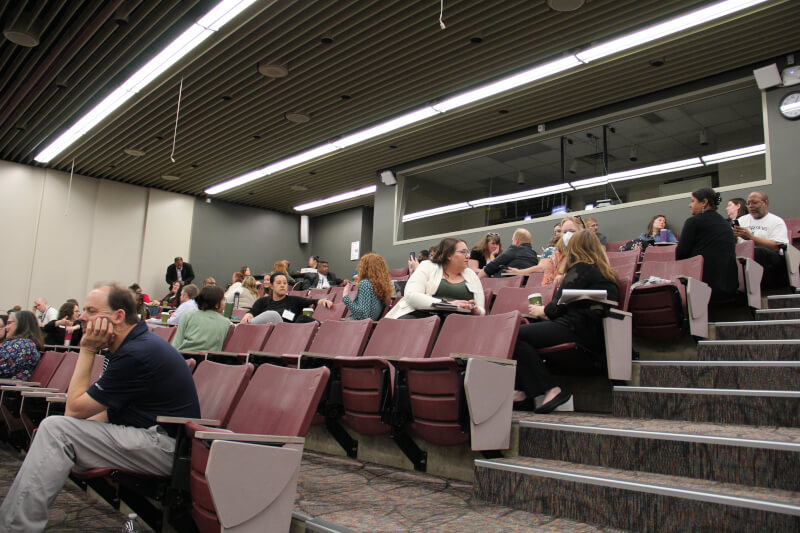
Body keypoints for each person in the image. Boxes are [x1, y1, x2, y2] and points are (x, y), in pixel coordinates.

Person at [0, 285, 200, 532]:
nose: (82, 317)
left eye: (91, 311)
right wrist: (78, 431)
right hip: (149, 437)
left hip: (165, 446)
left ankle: (15, 528)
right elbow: (101, 411)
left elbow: (74, 410)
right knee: (58, 430)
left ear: (118, 316)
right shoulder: (130, 346)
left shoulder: (137, 353)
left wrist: (86, 349)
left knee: (57, 430)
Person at [513, 230, 619, 413]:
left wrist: (541, 310)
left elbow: (557, 306)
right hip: (593, 332)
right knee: (525, 334)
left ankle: (548, 389)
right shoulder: (605, 272)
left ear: (574, 249)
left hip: (576, 328)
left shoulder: (581, 268)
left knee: (516, 335)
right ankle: (523, 391)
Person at [386, 237, 485, 319]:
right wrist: (448, 304)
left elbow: (482, 310)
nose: (468, 256)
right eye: (463, 252)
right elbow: (411, 296)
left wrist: (476, 310)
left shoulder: (471, 275)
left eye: (468, 252)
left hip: (459, 321)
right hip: (423, 316)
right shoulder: (427, 266)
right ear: (449, 255)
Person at [675, 188, 738, 296]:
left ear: (704, 202)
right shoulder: (725, 224)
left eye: (693, 201)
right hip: (729, 285)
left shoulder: (693, 222)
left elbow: (680, 255)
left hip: (703, 287)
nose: (690, 205)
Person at [507, 216, 582, 285]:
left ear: (582, 232)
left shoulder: (586, 255)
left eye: (572, 231)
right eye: (564, 232)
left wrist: (519, 272)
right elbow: (547, 284)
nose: (568, 235)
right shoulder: (555, 255)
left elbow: (541, 268)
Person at [734, 191, 789, 277]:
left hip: (771, 260)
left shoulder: (776, 221)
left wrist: (751, 237)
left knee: (758, 252)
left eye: (754, 203)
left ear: (766, 203)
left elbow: (776, 247)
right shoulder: (741, 220)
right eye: (748, 204)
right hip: (744, 256)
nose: (750, 206)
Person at [240, 273, 333, 324]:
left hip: (284, 332)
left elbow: (313, 301)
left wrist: (323, 300)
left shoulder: (294, 300)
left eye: (285, 283)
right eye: (279, 283)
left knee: (272, 314)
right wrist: (248, 316)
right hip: (264, 333)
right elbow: (252, 312)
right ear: (271, 286)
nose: (282, 285)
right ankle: (244, 327)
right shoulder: (262, 301)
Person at [172, 286, 231, 352]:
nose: (224, 303)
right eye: (223, 299)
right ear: (216, 304)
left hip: (183, 356)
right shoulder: (227, 323)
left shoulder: (188, 316)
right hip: (210, 358)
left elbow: (176, 343)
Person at [343, 253, 392, 321]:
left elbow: (363, 315)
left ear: (364, 268)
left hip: (357, 324)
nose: (358, 269)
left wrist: (345, 298)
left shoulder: (365, 284)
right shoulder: (381, 286)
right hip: (368, 325)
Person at [0, 310, 44, 380]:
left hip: (8, 385)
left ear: (21, 324)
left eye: (9, 323)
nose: (6, 327)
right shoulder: (23, 344)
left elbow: (2, 366)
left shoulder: (22, 345)